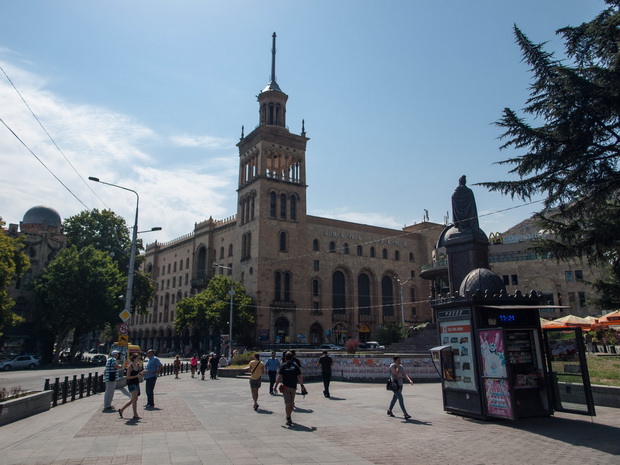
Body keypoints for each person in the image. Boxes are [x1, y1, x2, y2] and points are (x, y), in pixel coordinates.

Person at [274, 351, 305, 426]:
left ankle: (288, 416)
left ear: (285, 358)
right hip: (290, 387)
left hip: (288, 387)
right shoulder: (295, 366)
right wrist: (302, 385)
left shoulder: (283, 366)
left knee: (290, 404)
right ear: (292, 358)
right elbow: (299, 377)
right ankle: (288, 417)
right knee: (289, 403)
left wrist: (275, 386)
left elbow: (279, 377)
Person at [119, 352, 146, 420]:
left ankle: (121, 410)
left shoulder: (138, 365)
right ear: (134, 359)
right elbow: (128, 377)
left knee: (134, 399)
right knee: (134, 399)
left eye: (139, 358)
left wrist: (142, 373)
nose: (138, 359)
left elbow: (138, 374)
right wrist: (136, 376)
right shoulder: (130, 367)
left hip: (136, 383)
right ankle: (135, 415)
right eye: (137, 358)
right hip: (131, 383)